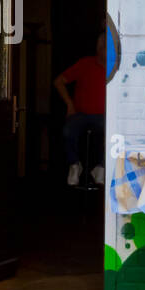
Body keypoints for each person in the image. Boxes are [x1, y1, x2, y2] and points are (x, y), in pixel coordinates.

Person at [53, 32, 106, 187]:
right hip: (81, 114)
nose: (107, 51)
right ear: (98, 49)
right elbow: (58, 81)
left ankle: (101, 167)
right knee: (68, 130)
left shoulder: (115, 68)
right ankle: (75, 165)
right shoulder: (86, 64)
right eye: (103, 47)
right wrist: (69, 103)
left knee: (112, 131)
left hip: (104, 116)